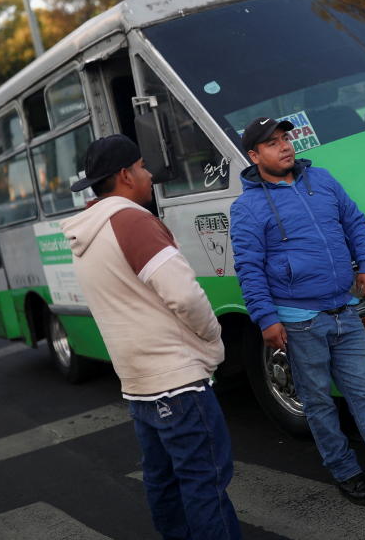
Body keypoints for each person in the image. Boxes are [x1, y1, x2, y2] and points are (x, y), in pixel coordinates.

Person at [229, 117, 365, 507]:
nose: (284, 147)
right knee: (318, 404)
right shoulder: (247, 208)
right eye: (272, 143)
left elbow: (354, 222)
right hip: (299, 322)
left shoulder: (323, 180)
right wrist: (267, 319)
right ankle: (346, 472)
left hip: (344, 311)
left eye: (285, 139)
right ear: (253, 155)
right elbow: (249, 268)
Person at [61, 134, 240, 540]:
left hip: (139, 386)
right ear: (125, 175)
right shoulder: (133, 222)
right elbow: (184, 295)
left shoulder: (86, 232)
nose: (148, 175)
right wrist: (214, 340)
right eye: (142, 167)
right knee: (204, 484)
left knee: (165, 485)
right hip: (178, 383)